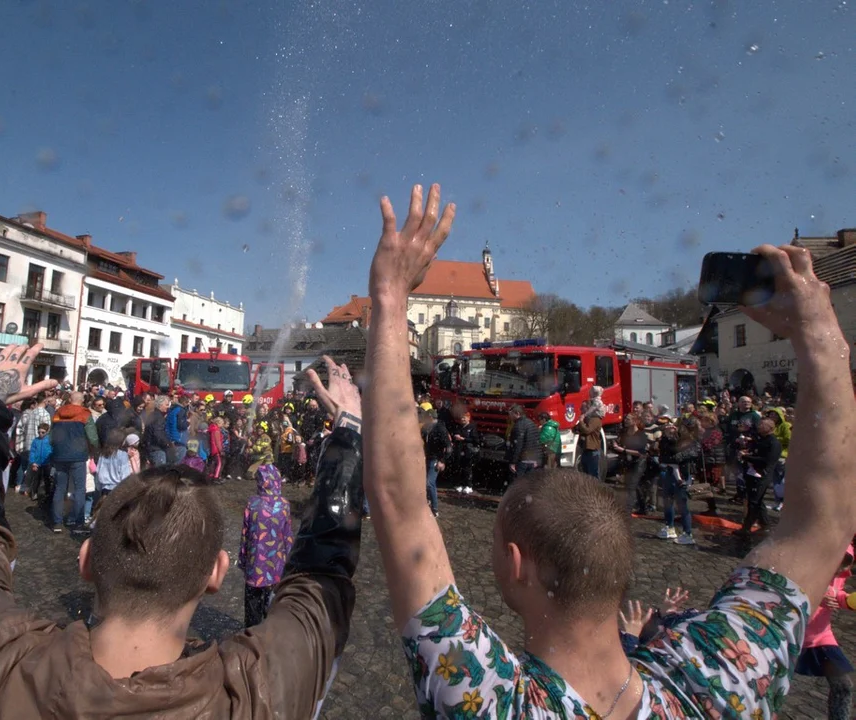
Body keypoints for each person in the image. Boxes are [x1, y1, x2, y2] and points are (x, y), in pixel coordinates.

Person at [363, 186, 852, 716]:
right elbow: (822, 522)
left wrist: (388, 297)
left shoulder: (487, 698)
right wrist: (824, 336)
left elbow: (398, 499)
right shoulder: (719, 676)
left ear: (515, 565)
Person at [0, 343, 364, 718]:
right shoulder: (259, 695)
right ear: (216, 573)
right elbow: (320, 581)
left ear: (86, 559)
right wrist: (349, 432)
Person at [797, 545, 856, 720]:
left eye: (846, 564)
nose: (842, 569)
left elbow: (835, 594)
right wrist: (816, 595)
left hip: (820, 637)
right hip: (790, 635)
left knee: (843, 685)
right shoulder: (805, 565)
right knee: (774, 685)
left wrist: (848, 601)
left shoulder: (840, 570)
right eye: (839, 562)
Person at [239, 464, 293, 628]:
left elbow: (245, 535)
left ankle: (251, 636)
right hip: (277, 565)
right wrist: (290, 562)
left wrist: (243, 560)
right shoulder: (284, 505)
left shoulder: (253, 504)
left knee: (252, 605)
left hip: (255, 564)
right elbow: (288, 536)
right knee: (273, 603)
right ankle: (269, 636)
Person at [48, 390, 98, 533]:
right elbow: (93, 437)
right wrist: (95, 449)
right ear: (82, 401)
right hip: (78, 455)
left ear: (70, 399)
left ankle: (57, 523)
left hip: (59, 455)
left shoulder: (58, 413)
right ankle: (78, 523)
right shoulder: (85, 414)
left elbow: (51, 437)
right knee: (80, 489)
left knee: (60, 488)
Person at [654, 418, 700, 545]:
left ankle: (687, 533)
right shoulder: (674, 439)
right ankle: (670, 527)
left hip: (684, 476)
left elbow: (678, 457)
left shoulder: (693, 442)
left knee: (682, 505)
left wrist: (669, 459)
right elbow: (663, 454)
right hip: (670, 473)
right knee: (668, 501)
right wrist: (666, 436)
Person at [737, 416, 782, 538]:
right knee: (757, 500)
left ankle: (746, 527)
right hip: (752, 472)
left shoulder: (773, 443)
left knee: (754, 502)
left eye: (762, 426)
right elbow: (756, 452)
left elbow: (767, 461)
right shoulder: (760, 439)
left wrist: (746, 457)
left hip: (761, 474)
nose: (759, 427)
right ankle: (765, 524)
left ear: (769, 428)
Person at [422, 408, 451, 518]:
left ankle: (435, 509)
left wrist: (442, 461)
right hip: (427, 457)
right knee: (425, 482)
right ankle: (428, 501)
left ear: (430, 417)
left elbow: (448, 447)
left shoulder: (440, 428)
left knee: (429, 483)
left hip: (436, 459)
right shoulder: (426, 428)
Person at [574, 389, 605, 478]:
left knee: (593, 475)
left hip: (593, 450)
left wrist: (581, 422)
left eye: (582, 408)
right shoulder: (586, 420)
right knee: (586, 474)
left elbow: (587, 430)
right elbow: (576, 430)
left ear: (588, 408)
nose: (580, 409)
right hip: (586, 450)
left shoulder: (595, 420)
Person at [505, 405, 542, 478]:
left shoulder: (518, 425)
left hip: (523, 460)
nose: (510, 417)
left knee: (518, 483)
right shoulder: (531, 423)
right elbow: (537, 442)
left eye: (511, 414)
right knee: (529, 483)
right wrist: (538, 459)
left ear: (517, 414)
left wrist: (513, 462)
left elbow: (518, 445)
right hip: (533, 460)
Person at [25, 423, 52, 502]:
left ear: (47, 432)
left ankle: (48, 494)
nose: (40, 434)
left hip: (47, 463)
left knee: (47, 479)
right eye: (39, 432)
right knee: (36, 479)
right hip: (37, 463)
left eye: (43, 432)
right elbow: (32, 452)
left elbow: (52, 451)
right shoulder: (35, 441)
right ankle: (35, 493)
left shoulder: (49, 440)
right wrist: (33, 462)